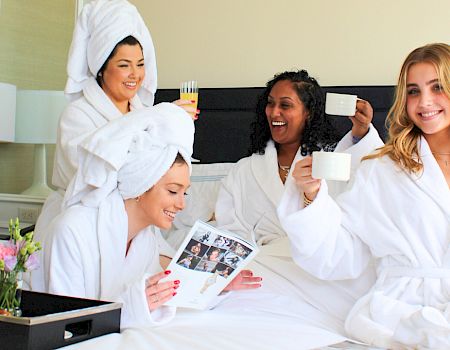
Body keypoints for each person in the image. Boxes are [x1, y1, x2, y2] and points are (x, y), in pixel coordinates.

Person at [278, 43, 450, 348]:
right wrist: (312, 196)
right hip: (402, 309)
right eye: (413, 91)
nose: (424, 102)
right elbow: (341, 251)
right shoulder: (383, 168)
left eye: (437, 87)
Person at [39, 104, 261, 329]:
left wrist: (215, 283)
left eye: (185, 193)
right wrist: (133, 306)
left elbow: (164, 292)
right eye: (173, 191)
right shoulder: (71, 231)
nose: (181, 204)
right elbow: (65, 325)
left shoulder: (146, 238)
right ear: (140, 185)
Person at [32, 0, 194, 289]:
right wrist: (159, 117)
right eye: (124, 65)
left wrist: (168, 123)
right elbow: (93, 178)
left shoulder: (143, 114)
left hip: (132, 226)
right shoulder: (78, 115)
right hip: (83, 227)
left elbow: (153, 175)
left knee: (165, 273)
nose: (135, 75)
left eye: (141, 65)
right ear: (101, 68)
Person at [213, 70, 384, 330]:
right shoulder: (244, 170)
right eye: (270, 104)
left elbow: (367, 178)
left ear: (309, 113)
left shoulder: (331, 160)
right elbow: (229, 231)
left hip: (318, 268)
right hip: (266, 266)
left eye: (285, 105)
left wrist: (360, 133)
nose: (274, 113)